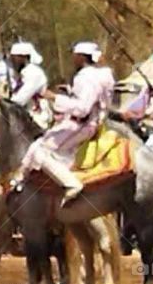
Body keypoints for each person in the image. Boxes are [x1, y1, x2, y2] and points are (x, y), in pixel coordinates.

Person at [18, 41, 114, 203]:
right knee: (36, 145)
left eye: (74, 56)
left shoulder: (86, 77)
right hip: (81, 122)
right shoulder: (93, 76)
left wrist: (55, 97)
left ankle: (72, 184)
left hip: (81, 124)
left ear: (81, 57)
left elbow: (83, 108)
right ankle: (20, 180)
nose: (72, 59)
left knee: (41, 151)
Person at [9, 41, 51, 129]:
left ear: (24, 58)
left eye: (14, 58)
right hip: (22, 115)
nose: (12, 61)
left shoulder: (34, 73)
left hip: (37, 116)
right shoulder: (18, 73)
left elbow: (20, 99)